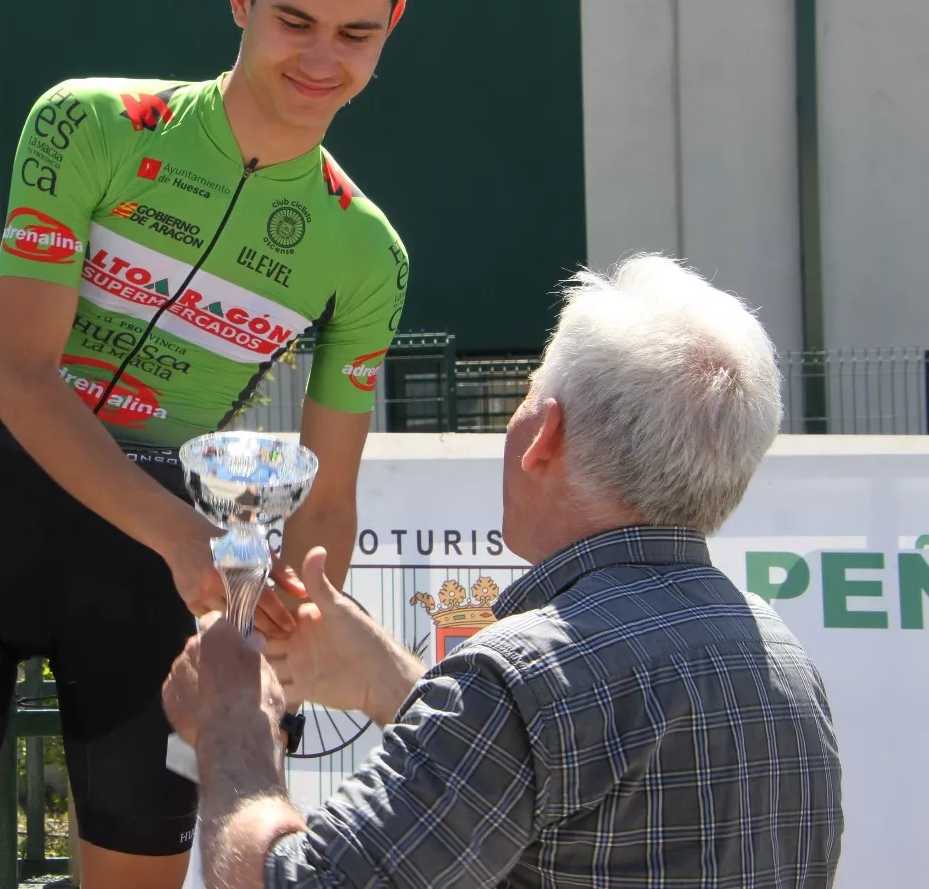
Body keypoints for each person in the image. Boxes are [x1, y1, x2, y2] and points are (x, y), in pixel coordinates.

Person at [0, 0, 415, 889]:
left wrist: (289, 611)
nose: (320, 58)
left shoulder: (367, 252)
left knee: (139, 876)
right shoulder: (88, 124)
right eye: (294, 21)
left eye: (355, 34)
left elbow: (327, 489)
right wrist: (184, 539)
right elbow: (26, 378)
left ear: (392, 27)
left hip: (155, 562)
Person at [163, 255, 846, 889]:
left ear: (545, 434)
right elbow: (564, 804)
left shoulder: (520, 682)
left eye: (521, 397)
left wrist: (232, 725)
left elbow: (298, 881)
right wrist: (389, 681)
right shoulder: (784, 662)